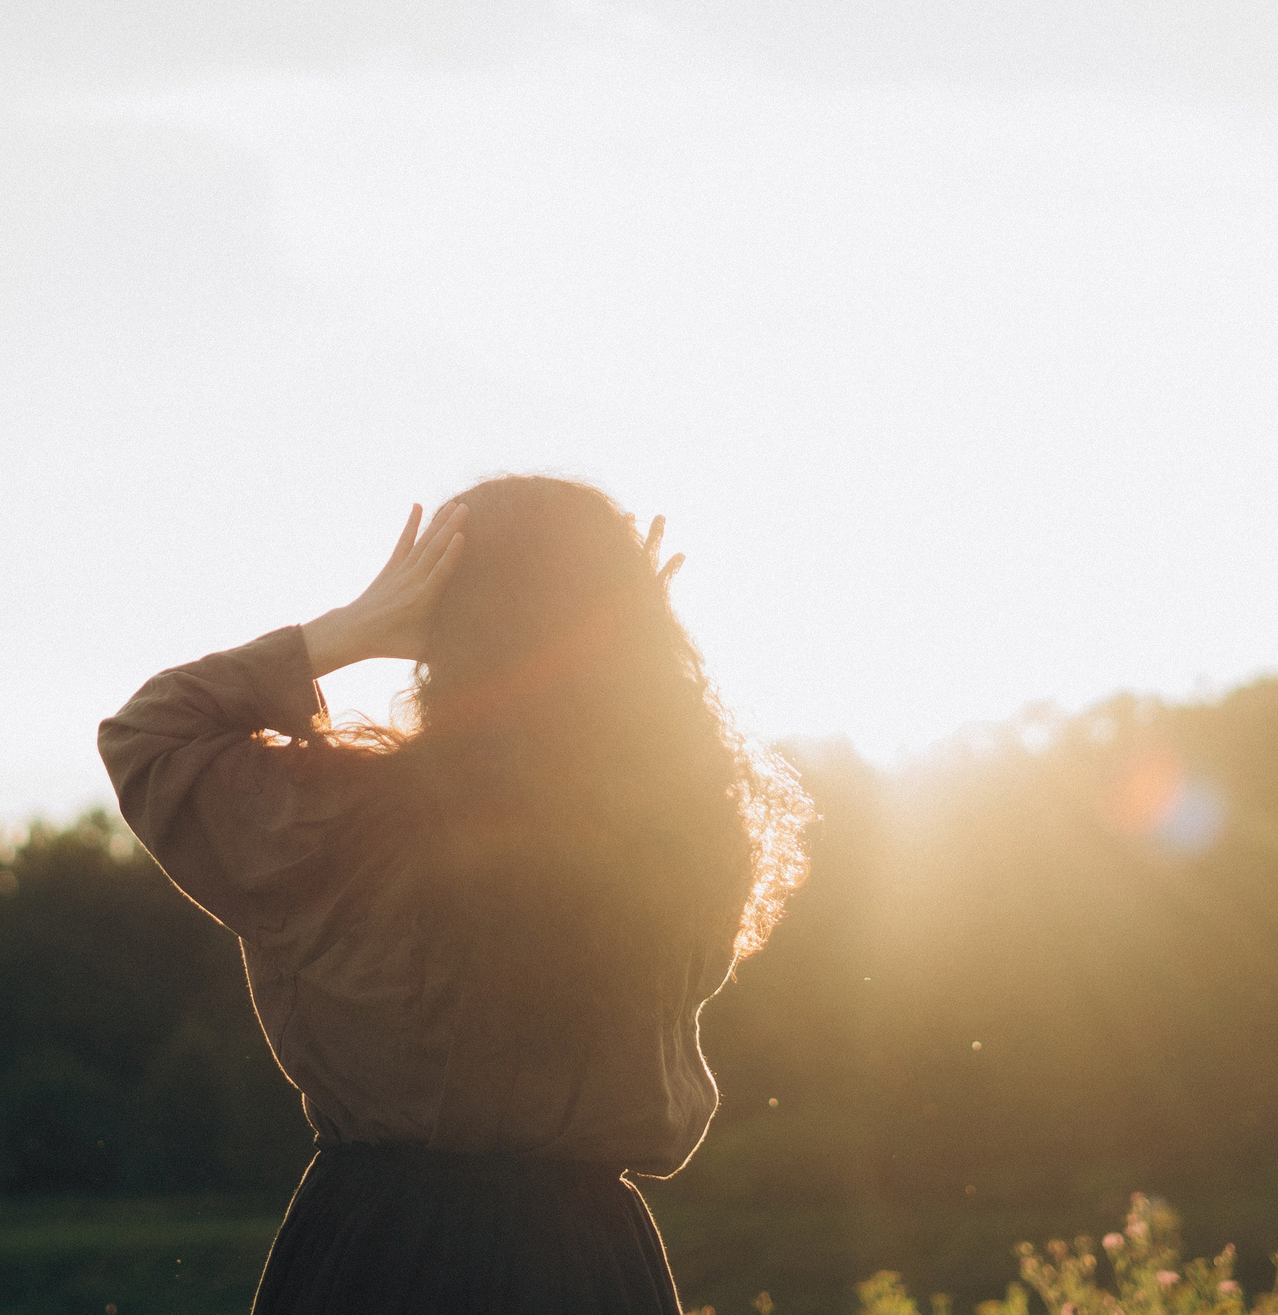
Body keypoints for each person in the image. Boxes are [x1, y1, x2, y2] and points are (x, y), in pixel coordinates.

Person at [98, 474, 812, 1314]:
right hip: (587, 1262)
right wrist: (618, 632)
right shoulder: (684, 843)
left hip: (379, 1255)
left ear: (442, 619)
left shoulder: (349, 825)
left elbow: (150, 736)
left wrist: (346, 630)